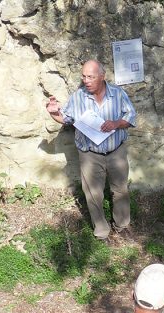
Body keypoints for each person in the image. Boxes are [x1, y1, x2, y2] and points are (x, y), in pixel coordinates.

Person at [45, 60, 136, 242]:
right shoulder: (78, 96)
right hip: (89, 154)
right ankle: (102, 231)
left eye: (91, 77)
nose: (86, 80)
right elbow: (67, 119)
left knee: (120, 190)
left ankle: (122, 225)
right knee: (93, 194)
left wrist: (117, 123)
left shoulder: (118, 94)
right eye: (84, 76)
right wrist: (54, 114)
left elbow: (131, 115)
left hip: (116, 151)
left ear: (102, 77)